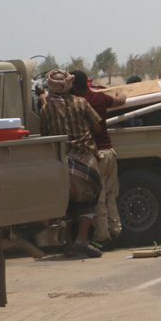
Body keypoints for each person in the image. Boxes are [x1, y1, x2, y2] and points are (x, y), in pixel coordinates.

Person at [38, 69, 104, 258]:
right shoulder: (81, 103)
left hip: (61, 163)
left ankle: (68, 245)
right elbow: (97, 128)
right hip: (84, 159)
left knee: (66, 206)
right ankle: (82, 239)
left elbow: (45, 136)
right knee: (88, 202)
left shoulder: (45, 110)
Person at [70, 70, 126, 246]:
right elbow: (121, 100)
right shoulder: (100, 98)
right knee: (111, 194)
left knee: (98, 197)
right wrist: (120, 92)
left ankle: (102, 235)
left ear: (74, 86)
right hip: (110, 151)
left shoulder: (78, 103)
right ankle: (115, 229)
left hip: (96, 155)